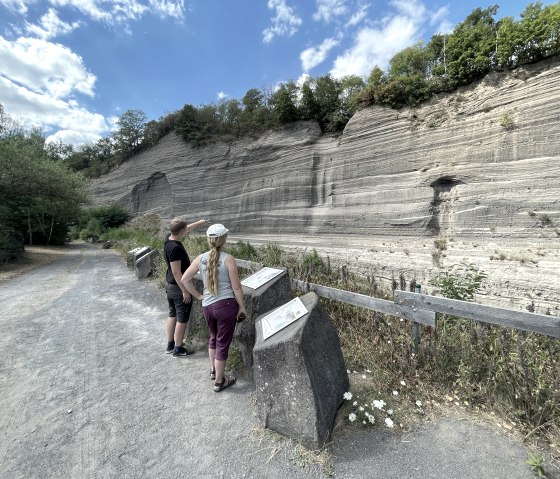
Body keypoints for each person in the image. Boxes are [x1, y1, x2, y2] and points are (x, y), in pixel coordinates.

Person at [181, 223, 247, 392]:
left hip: (208, 306)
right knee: (222, 343)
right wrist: (242, 307)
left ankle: (213, 371)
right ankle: (219, 382)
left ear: (209, 240)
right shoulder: (228, 259)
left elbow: (185, 279)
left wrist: (198, 296)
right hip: (225, 306)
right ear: (224, 239)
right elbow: (237, 287)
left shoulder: (200, 258)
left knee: (213, 337)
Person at [164, 217, 208, 357]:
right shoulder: (175, 248)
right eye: (185, 230)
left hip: (170, 285)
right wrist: (185, 291)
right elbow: (177, 272)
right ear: (181, 231)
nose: (186, 231)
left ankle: (170, 344)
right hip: (178, 288)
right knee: (182, 319)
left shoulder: (168, 240)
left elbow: (184, 229)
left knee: (173, 314)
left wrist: (199, 223)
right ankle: (178, 348)